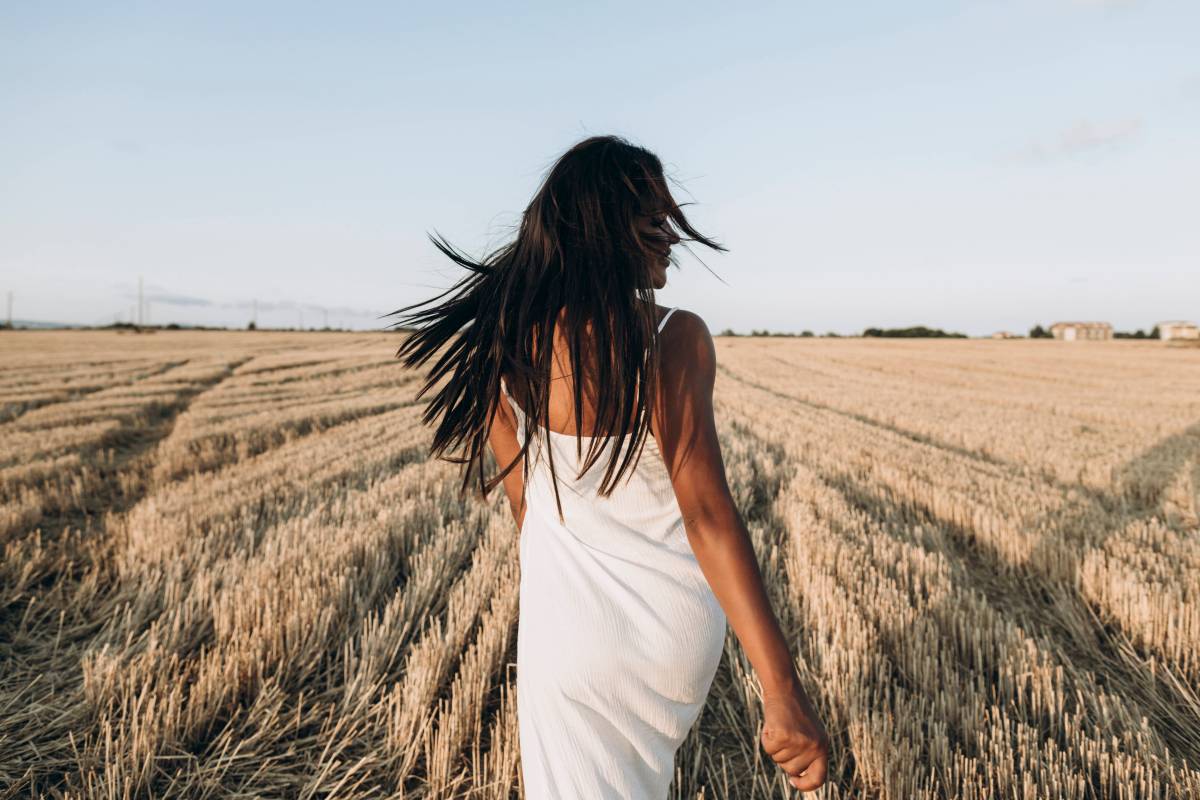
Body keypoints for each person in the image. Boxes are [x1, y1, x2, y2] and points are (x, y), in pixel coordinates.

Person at [387, 135, 829, 797]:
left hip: (574, 641)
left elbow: (525, 507)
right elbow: (706, 516)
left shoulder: (502, 345)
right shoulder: (670, 337)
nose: (672, 238)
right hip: (672, 640)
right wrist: (781, 690)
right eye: (657, 222)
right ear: (605, 229)